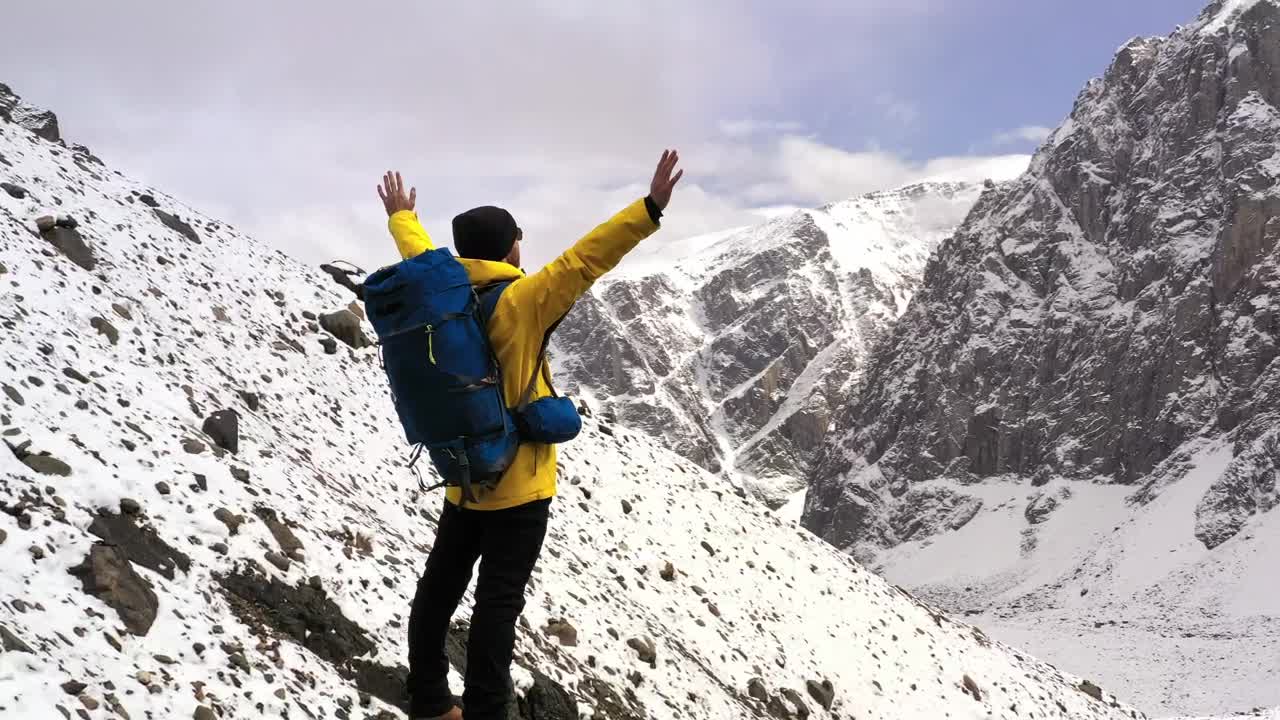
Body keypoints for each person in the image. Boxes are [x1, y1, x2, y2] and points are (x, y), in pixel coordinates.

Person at [376, 150, 683, 720]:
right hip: (520, 489)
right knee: (497, 608)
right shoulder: (522, 301)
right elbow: (584, 260)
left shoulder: (441, 293)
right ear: (511, 246)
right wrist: (649, 209)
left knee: (439, 591)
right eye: (518, 237)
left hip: (463, 479)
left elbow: (418, 252)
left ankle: (431, 702)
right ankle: (489, 710)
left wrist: (402, 218)